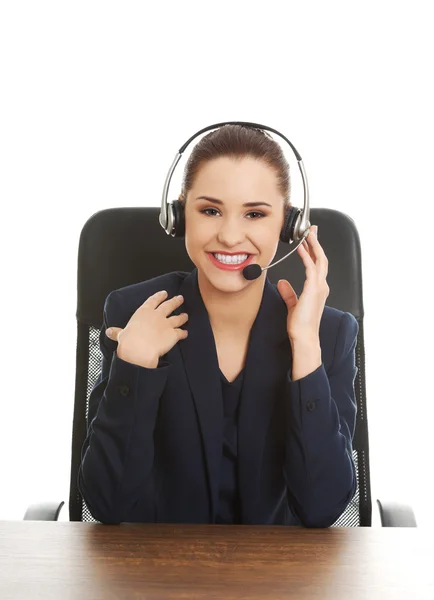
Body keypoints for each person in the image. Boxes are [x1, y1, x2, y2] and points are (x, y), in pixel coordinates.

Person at [78, 124, 359, 527]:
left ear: (288, 226)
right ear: (178, 215)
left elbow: (322, 510)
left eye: (255, 214)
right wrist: (134, 366)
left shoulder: (327, 335)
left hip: (279, 583)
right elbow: (108, 506)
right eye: (210, 210)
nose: (229, 236)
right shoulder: (132, 314)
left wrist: (306, 349)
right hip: (158, 578)